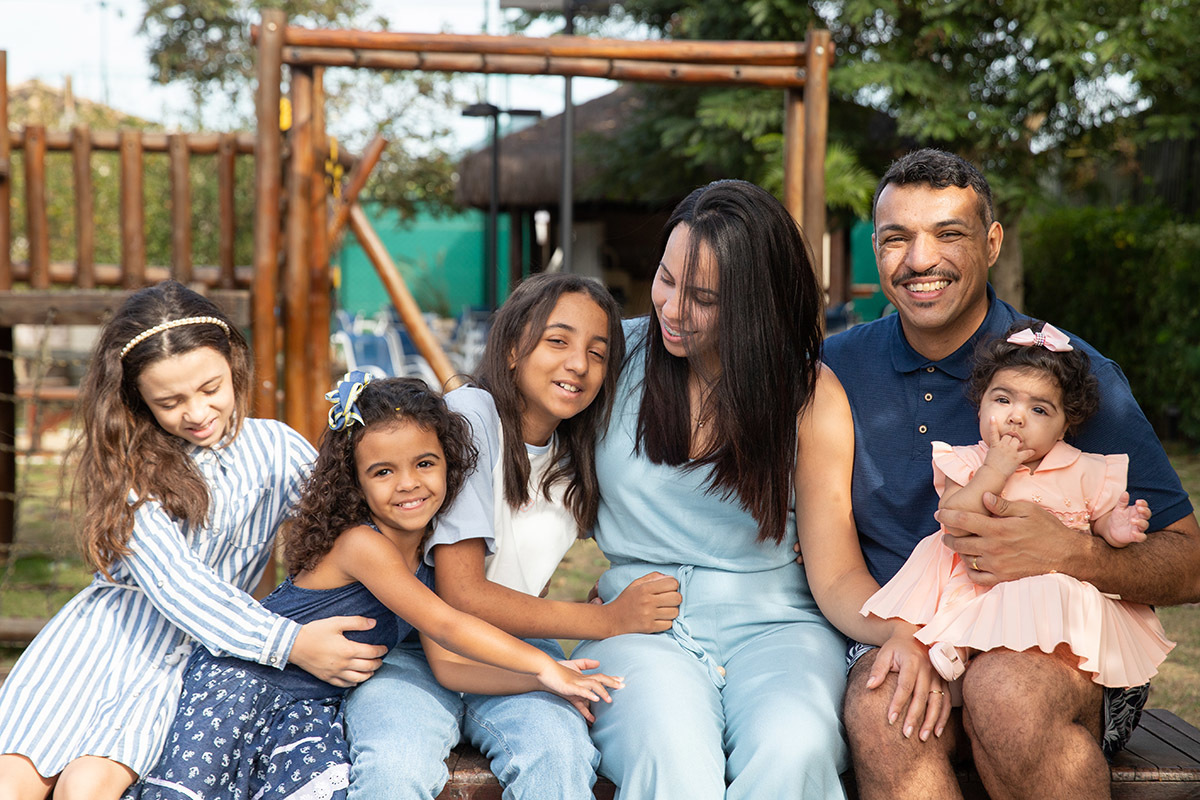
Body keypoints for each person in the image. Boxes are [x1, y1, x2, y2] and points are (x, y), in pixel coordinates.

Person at [823, 148, 1200, 798]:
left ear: (992, 242)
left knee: (1005, 693)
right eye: (896, 238)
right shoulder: (837, 369)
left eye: (949, 234)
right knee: (882, 710)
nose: (919, 260)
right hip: (906, 632)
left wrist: (1075, 552)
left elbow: (1189, 564)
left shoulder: (1070, 379)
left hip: (1057, 643)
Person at [572, 179, 936, 800]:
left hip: (781, 627)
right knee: (670, 755)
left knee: (794, 749)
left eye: (704, 298)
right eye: (666, 279)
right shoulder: (612, 360)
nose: (673, 308)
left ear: (755, 304)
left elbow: (836, 573)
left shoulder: (809, 395)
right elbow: (507, 428)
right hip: (640, 625)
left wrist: (901, 630)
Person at [125, 374, 622, 800]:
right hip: (250, 687)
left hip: (311, 705)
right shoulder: (365, 545)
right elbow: (446, 623)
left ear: (450, 462)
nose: (408, 484)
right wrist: (543, 664)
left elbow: (448, 661)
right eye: (383, 472)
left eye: (424, 464)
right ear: (354, 482)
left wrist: (543, 678)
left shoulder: (431, 553)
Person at [0, 280, 389, 800]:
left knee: (86, 788)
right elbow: (180, 586)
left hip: (178, 662)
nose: (197, 412)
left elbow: (341, 522)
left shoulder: (276, 448)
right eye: (170, 401)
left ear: (234, 365)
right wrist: (291, 643)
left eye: (211, 388)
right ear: (137, 399)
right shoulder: (131, 468)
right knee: (14, 782)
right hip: (102, 642)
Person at [344, 273, 681, 800]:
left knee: (560, 755)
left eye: (598, 353)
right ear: (510, 351)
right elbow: (462, 592)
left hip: (515, 651)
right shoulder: (473, 418)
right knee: (394, 768)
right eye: (558, 341)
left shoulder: (580, 453)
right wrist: (606, 619)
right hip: (409, 648)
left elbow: (649, 522)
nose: (578, 364)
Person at [862, 319, 1173, 690]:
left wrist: (1116, 528)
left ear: (1063, 427)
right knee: (965, 599)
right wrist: (995, 468)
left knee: (1051, 605)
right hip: (977, 579)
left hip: (1048, 596)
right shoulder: (969, 462)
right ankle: (956, 646)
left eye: (1039, 410)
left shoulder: (1084, 467)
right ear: (980, 407)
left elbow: (1099, 520)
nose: (1016, 416)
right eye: (1003, 399)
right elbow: (954, 518)